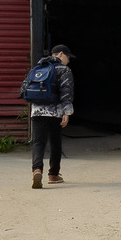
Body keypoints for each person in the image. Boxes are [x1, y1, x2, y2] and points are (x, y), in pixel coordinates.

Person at [29, 44, 75, 189]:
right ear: (61, 54)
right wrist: (67, 112)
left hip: (37, 110)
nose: (68, 60)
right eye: (68, 57)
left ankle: (37, 170)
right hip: (55, 112)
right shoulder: (64, 69)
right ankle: (53, 174)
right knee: (55, 141)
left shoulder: (38, 67)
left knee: (38, 142)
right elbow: (66, 92)